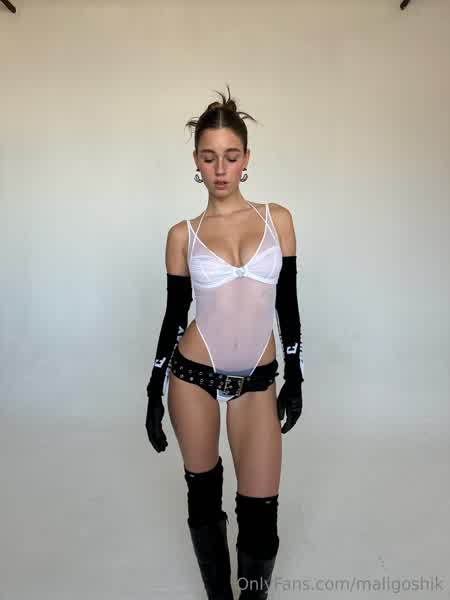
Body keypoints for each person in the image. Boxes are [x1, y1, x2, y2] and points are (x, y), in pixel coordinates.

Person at [145, 85, 304, 600]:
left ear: (246, 159)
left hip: (257, 379)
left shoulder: (277, 219)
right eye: (209, 157)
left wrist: (296, 375)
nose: (220, 168)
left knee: (260, 514)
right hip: (192, 376)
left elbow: (287, 306)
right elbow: (175, 317)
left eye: (231, 157)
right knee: (204, 495)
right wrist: (152, 389)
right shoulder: (183, 234)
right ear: (196, 161)